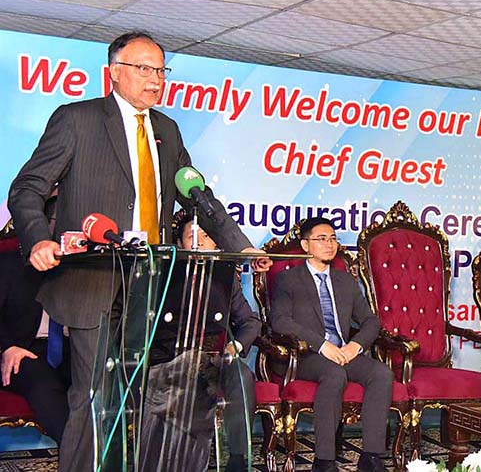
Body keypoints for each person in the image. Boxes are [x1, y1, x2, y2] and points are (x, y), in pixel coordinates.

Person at [7, 31, 270, 471]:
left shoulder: (167, 130)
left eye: (161, 70)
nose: (155, 79)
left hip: (150, 287)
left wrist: (239, 247)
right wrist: (37, 238)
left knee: (150, 398)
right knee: (95, 400)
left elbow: (197, 196)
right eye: (144, 68)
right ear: (115, 72)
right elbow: (27, 188)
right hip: (91, 280)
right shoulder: (77, 120)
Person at [138, 213, 261, 472]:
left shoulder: (226, 279)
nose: (201, 243)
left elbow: (251, 322)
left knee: (242, 376)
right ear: (180, 244)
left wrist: (234, 347)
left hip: (216, 358)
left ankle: (237, 460)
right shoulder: (162, 276)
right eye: (193, 237)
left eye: (207, 237)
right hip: (170, 360)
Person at [271, 217, 393, 472]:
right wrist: (321, 345)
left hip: (343, 352)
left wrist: (355, 347)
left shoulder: (345, 281)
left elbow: (371, 321)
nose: (329, 244)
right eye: (322, 239)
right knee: (334, 374)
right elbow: (280, 322)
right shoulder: (288, 280)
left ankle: (371, 456)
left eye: (333, 238)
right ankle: (324, 460)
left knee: (382, 373)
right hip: (307, 355)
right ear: (305, 245)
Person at [0, 231, 70, 444]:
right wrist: (7, 347)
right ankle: (79, 459)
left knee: (96, 383)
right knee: (43, 386)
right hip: (22, 350)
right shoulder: (9, 263)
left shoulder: (83, 263)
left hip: (74, 346)